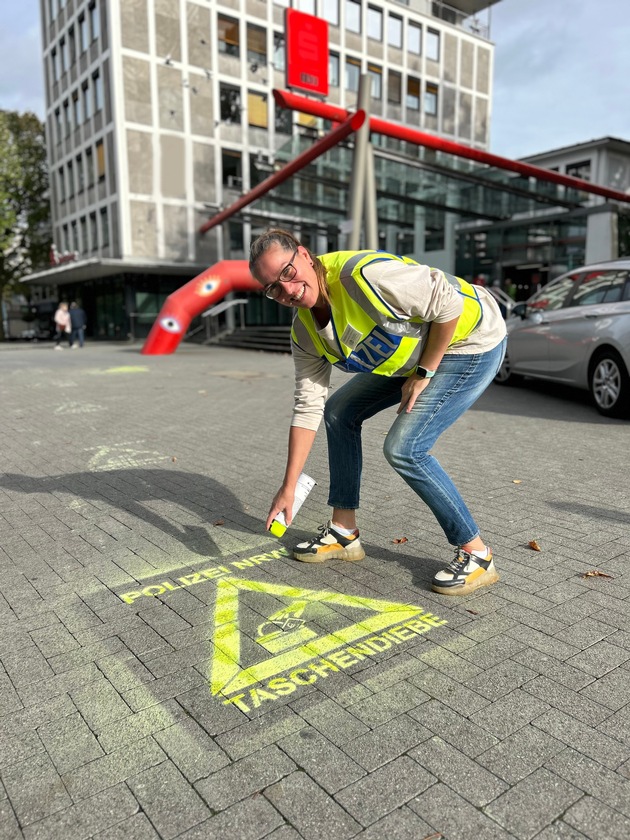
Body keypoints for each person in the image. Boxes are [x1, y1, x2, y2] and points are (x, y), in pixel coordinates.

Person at [249, 229, 508, 596]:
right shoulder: (305, 332)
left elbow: (448, 304)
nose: (288, 290)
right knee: (338, 411)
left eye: (288, 272)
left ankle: (477, 554)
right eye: (274, 287)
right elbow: (308, 406)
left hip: (471, 341)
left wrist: (423, 373)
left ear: (305, 255)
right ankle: (344, 532)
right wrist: (289, 486)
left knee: (405, 448)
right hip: (414, 358)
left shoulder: (365, 276)